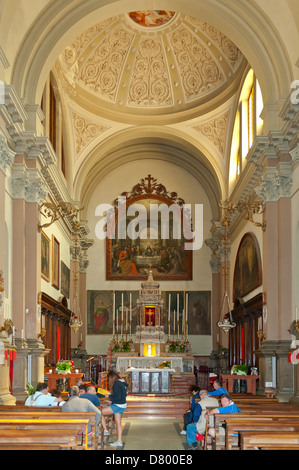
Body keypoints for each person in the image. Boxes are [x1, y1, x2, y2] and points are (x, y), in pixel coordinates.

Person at [101, 370, 129, 447]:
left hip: (118, 405)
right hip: (122, 405)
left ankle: (106, 430)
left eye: (109, 378)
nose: (108, 380)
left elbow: (117, 397)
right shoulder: (121, 383)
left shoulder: (116, 384)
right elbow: (122, 396)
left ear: (111, 377)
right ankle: (119, 441)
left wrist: (109, 397)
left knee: (99, 412)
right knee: (118, 423)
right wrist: (111, 401)